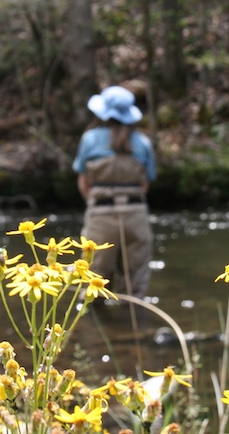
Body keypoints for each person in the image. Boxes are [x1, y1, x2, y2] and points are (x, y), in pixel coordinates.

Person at [72, 85, 156, 299]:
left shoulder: (90, 138)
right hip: (136, 215)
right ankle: (134, 328)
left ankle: (93, 329)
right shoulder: (144, 142)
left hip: (101, 215)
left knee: (94, 281)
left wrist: (96, 204)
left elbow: (83, 183)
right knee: (135, 284)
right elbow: (145, 185)